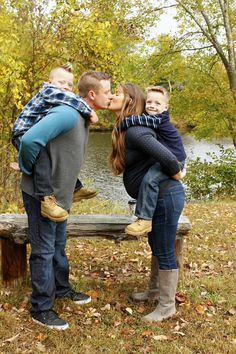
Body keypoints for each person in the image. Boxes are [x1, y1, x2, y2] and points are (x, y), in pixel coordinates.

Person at [20, 71, 112, 329]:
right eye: (108, 91)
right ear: (93, 94)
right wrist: (28, 170)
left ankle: (61, 290)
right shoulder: (67, 114)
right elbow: (29, 140)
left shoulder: (81, 115)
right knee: (44, 250)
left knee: (58, 246)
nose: (111, 95)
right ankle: (41, 308)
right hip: (42, 196)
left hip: (61, 195)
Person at [108, 83, 185, 322]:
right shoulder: (134, 127)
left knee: (163, 247)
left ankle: (166, 305)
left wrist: (177, 172)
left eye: (118, 93)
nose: (112, 96)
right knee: (156, 243)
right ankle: (154, 291)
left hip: (165, 197)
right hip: (158, 198)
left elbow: (169, 158)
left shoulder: (137, 131)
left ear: (130, 101)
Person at [12, 64, 98, 222]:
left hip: (35, 132)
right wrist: (89, 110)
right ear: (50, 82)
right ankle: (46, 200)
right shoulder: (49, 91)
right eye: (61, 82)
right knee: (42, 158)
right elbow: (71, 99)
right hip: (23, 132)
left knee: (54, 157)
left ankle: (75, 188)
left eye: (69, 84)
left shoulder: (59, 95)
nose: (66, 86)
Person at [119, 86, 186, 236]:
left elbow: (138, 120)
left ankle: (144, 218)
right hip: (170, 159)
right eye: (149, 102)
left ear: (165, 107)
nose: (152, 106)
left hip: (175, 160)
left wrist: (123, 123)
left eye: (157, 103)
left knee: (150, 179)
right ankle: (144, 217)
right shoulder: (153, 120)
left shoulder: (159, 120)